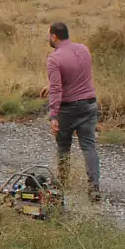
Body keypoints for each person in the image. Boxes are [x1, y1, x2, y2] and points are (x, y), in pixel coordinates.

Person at [41, 22, 100, 201]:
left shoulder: (54, 59)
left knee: (63, 147)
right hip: (89, 104)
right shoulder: (83, 49)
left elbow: (59, 90)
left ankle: (63, 184)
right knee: (89, 147)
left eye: (48, 35)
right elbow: (77, 75)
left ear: (54, 37)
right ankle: (94, 188)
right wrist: (51, 86)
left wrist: (53, 116)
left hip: (68, 109)